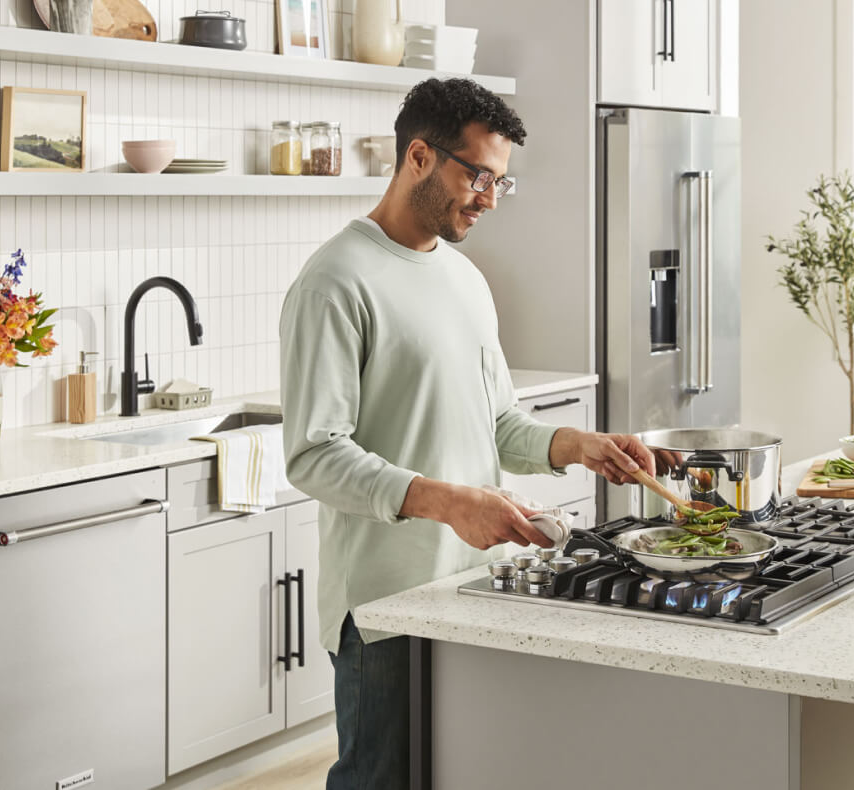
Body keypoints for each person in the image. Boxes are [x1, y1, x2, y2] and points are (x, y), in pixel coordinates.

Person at [278, 77, 658, 790]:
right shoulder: (335, 281)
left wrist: (578, 446)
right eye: (478, 176)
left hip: (478, 588)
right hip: (386, 605)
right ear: (419, 157)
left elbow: (498, 423)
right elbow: (314, 455)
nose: (489, 199)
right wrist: (452, 503)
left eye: (500, 182)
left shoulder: (466, 280)